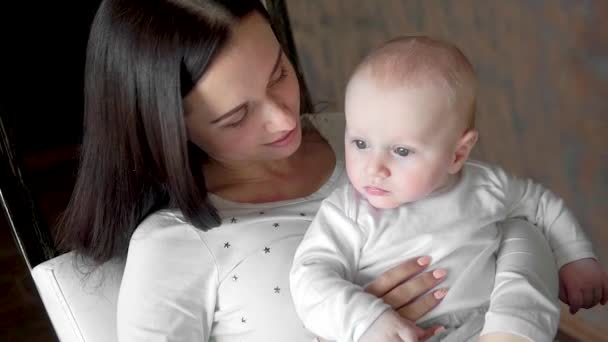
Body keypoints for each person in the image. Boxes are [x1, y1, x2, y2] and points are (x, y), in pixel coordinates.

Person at [57, 1, 577, 341]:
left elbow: (509, 220)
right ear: (166, 127)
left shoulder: (363, 134)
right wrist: (354, 319)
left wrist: (515, 324)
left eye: (279, 72)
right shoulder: (176, 243)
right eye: (237, 115)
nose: (286, 118)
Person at [290, 36, 608, 342]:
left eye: (401, 151)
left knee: (523, 239)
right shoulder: (348, 212)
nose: (374, 168)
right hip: (398, 331)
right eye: (360, 143)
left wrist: (575, 257)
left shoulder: (484, 187)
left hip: (483, 327)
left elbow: (540, 205)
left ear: (457, 154)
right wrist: (366, 320)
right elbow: (310, 277)